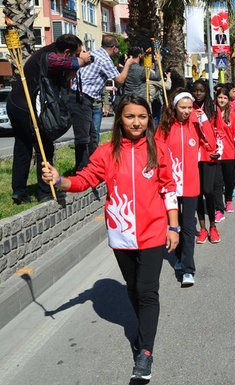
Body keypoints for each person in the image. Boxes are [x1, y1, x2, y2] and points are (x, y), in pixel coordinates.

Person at [41, 95, 179, 380]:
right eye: (130, 116)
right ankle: (144, 327)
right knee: (132, 287)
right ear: (120, 119)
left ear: (148, 119)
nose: (137, 122)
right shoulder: (106, 152)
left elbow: (169, 189)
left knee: (147, 290)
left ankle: (145, 352)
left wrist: (173, 226)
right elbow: (84, 180)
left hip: (154, 231)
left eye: (142, 116)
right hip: (121, 234)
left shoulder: (159, 150)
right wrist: (59, 180)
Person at [9, 34, 92, 204]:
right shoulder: (49, 56)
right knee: (44, 146)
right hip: (25, 106)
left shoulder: (54, 53)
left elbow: (65, 76)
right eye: (76, 53)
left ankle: (19, 191)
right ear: (67, 51)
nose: (78, 55)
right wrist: (82, 60)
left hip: (17, 103)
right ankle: (45, 191)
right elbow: (65, 62)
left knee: (23, 146)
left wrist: (78, 63)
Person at [156, 88, 214, 287]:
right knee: (176, 224)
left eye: (190, 107)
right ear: (174, 107)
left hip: (190, 186)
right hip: (170, 186)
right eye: (183, 107)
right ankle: (179, 257)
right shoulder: (165, 127)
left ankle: (188, 270)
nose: (187, 111)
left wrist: (203, 119)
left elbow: (211, 143)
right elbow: (157, 152)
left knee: (189, 227)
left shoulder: (195, 124)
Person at [68, 34, 134, 172]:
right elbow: (120, 80)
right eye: (118, 50)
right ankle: (82, 170)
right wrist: (128, 64)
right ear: (114, 48)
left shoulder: (94, 53)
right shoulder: (104, 58)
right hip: (81, 97)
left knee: (91, 135)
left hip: (82, 96)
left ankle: (92, 166)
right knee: (84, 137)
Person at [191, 79, 223, 244]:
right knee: (197, 193)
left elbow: (219, 131)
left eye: (201, 90)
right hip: (192, 156)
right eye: (195, 90)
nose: (198, 94)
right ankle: (202, 228)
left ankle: (213, 227)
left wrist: (219, 150)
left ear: (206, 92)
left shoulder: (213, 109)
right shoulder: (188, 108)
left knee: (209, 191)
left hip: (209, 154)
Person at [215, 86, 235, 217]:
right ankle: (218, 208)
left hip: (229, 153)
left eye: (224, 98)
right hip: (215, 154)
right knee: (217, 182)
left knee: (229, 179)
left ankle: (228, 200)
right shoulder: (211, 113)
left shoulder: (232, 113)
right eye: (220, 97)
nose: (222, 100)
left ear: (228, 100)